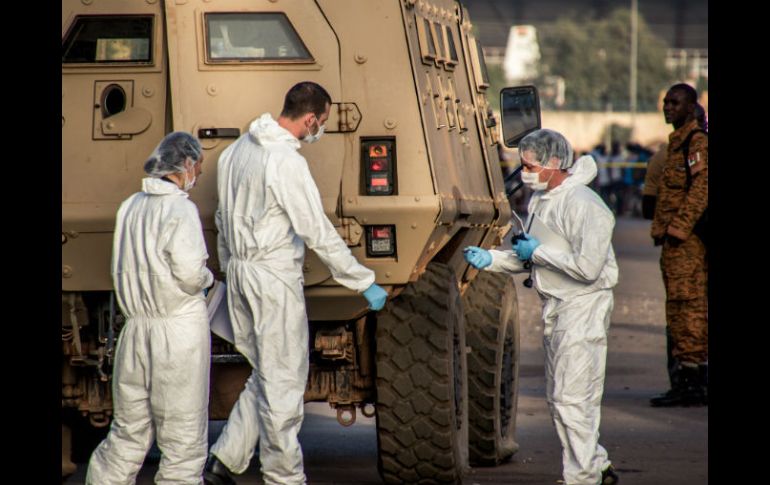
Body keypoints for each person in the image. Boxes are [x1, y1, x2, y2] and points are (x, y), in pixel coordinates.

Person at [203, 81, 387, 485]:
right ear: (310, 119)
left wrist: (231, 272)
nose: (319, 129)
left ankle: (225, 459)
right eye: (320, 122)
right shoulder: (285, 161)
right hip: (272, 280)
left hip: (240, 275)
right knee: (284, 383)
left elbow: (220, 220)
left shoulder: (236, 152)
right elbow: (316, 230)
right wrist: (362, 280)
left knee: (267, 374)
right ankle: (284, 477)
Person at [464, 129, 619, 485]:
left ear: (553, 163)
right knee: (560, 398)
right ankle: (596, 464)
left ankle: (583, 478)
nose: (524, 171)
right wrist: (491, 258)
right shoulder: (541, 202)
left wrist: (536, 252)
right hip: (558, 306)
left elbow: (587, 267)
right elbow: (531, 260)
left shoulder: (585, 205)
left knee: (572, 399)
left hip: (583, 307)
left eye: (530, 165)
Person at [86, 132, 214, 484]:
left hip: (135, 332)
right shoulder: (180, 209)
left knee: (127, 434)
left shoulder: (130, 206)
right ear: (186, 164)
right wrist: (208, 278)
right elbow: (189, 274)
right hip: (177, 336)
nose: (198, 175)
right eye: (198, 167)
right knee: (182, 442)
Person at [648, 84, 708, 407]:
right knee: (678, 309)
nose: (668, 107)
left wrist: (679, 229)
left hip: (686, 243)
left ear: (691, 107)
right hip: (673, 243)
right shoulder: (676, 145)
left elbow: (702, 189)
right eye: (666, 102)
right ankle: (685, 380)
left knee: (689, 309)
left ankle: (693, 382)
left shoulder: (696, 142)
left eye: (675, 102)